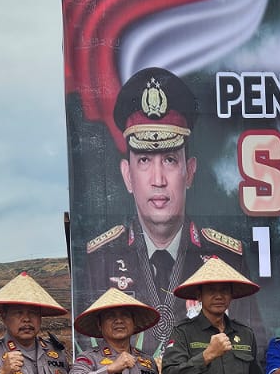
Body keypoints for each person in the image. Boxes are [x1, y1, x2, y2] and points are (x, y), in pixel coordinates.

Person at [84, 66, 254, 356]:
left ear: (189, 172)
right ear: (127, 175)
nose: (158, 179)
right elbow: (90, 344)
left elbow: (249, 348)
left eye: (171, 160)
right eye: (145, 160)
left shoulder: (227, 258)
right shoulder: (100, 258)